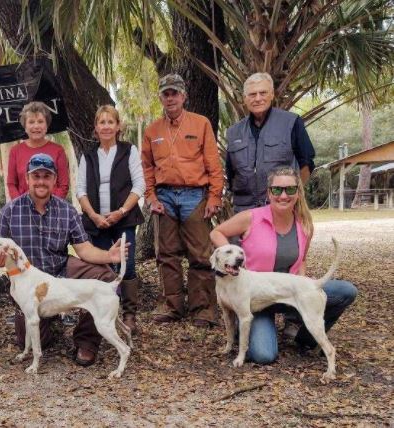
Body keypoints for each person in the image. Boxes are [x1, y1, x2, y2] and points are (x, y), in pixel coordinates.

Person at [0, 153, 127, 366]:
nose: (41, 181)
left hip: (60, 270)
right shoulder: (8, 212)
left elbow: (84, 250)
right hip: (28, 280)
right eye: (36, 176)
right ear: (28, 179)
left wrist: (109, 256)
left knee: (104, 276)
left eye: (46, 176)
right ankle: (51, 318)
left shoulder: (67, 211)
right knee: (31, 338)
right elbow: (2, 259)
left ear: (54, 180)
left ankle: (86, 341)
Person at [210, 167, 357, 363]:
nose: (283, 195)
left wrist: (304, 293)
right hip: (257, 296)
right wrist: (229, 258)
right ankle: (247, 329)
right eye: (277, 190)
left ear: (298, 192)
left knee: (345, 290)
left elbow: (301, 261)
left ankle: (306, 336)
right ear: (269, 192)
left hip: (289, 290)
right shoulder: (251, 218)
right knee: (264, 355)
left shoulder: (305, 225)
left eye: (290, 189)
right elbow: (216, 233)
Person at [141, 72, 224, 328]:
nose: (170, 98)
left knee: (201, 254)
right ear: (161, 98)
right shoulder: (152, 130)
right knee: (166, 254)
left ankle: (203, 308)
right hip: (164, 197)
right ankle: (171, 305)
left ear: (184, 96)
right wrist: (151, 196)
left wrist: (214, 196)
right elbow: (146, 167)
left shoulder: (200, 124)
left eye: (174, 93)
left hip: (194, 196)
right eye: (166, 94)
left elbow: (213, 162)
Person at [76, 105, 145, 333]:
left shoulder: (128, 150)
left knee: (127, 264)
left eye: (110, 122)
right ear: (96, 128)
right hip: (97, 223)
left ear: (118, 126)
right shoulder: (88, 155)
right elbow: (80, 190)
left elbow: (139, 185)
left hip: (123, 219)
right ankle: (105, 312)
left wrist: (121, 211)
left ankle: (129, 313)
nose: (106, 126)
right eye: (102, 122)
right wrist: (94, 216)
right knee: (103, 267)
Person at [226, 72, 316, 213]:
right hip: (244, 211)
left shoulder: (291, 123)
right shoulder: (233, 132)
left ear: (272, 94)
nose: (258, 98)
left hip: (281, 208)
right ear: (244, 98)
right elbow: (231, 173)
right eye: (252, 94)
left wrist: (293, 196)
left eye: (263, 93)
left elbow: (307, 163)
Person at [7, 102, 69, 199]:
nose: (36, 126)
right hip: (23, 210)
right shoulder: (15, 151)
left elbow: (63, 185)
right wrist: (22, 207)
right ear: (25, 126)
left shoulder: (58, 150)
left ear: (46, 125)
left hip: (53, 209)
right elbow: (11, 184)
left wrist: (51, 206)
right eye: (31, 122)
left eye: (40, 121)